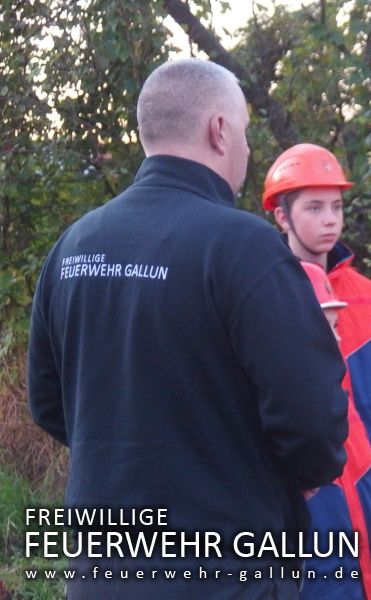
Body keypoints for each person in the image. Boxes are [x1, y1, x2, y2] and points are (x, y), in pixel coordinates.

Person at [27, 58, 348, 599]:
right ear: (219, 131)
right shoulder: (243, 247)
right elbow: (310, 416)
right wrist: (302, 471)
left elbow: (48, 402)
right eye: (244, 131)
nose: (246, 149)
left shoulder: (75, 246)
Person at [262, 144, 371, 599]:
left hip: (363, 480)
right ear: (282, 216)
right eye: (314, 208)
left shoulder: (366, 295)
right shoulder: (264, 291)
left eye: (337, 207)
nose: (330, 220)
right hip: (303, 487)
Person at [295, 262, 371, 600]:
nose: (338, 337)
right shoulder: (274, 426)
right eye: (326, 326)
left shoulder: (342, 409)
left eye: (337, 325)